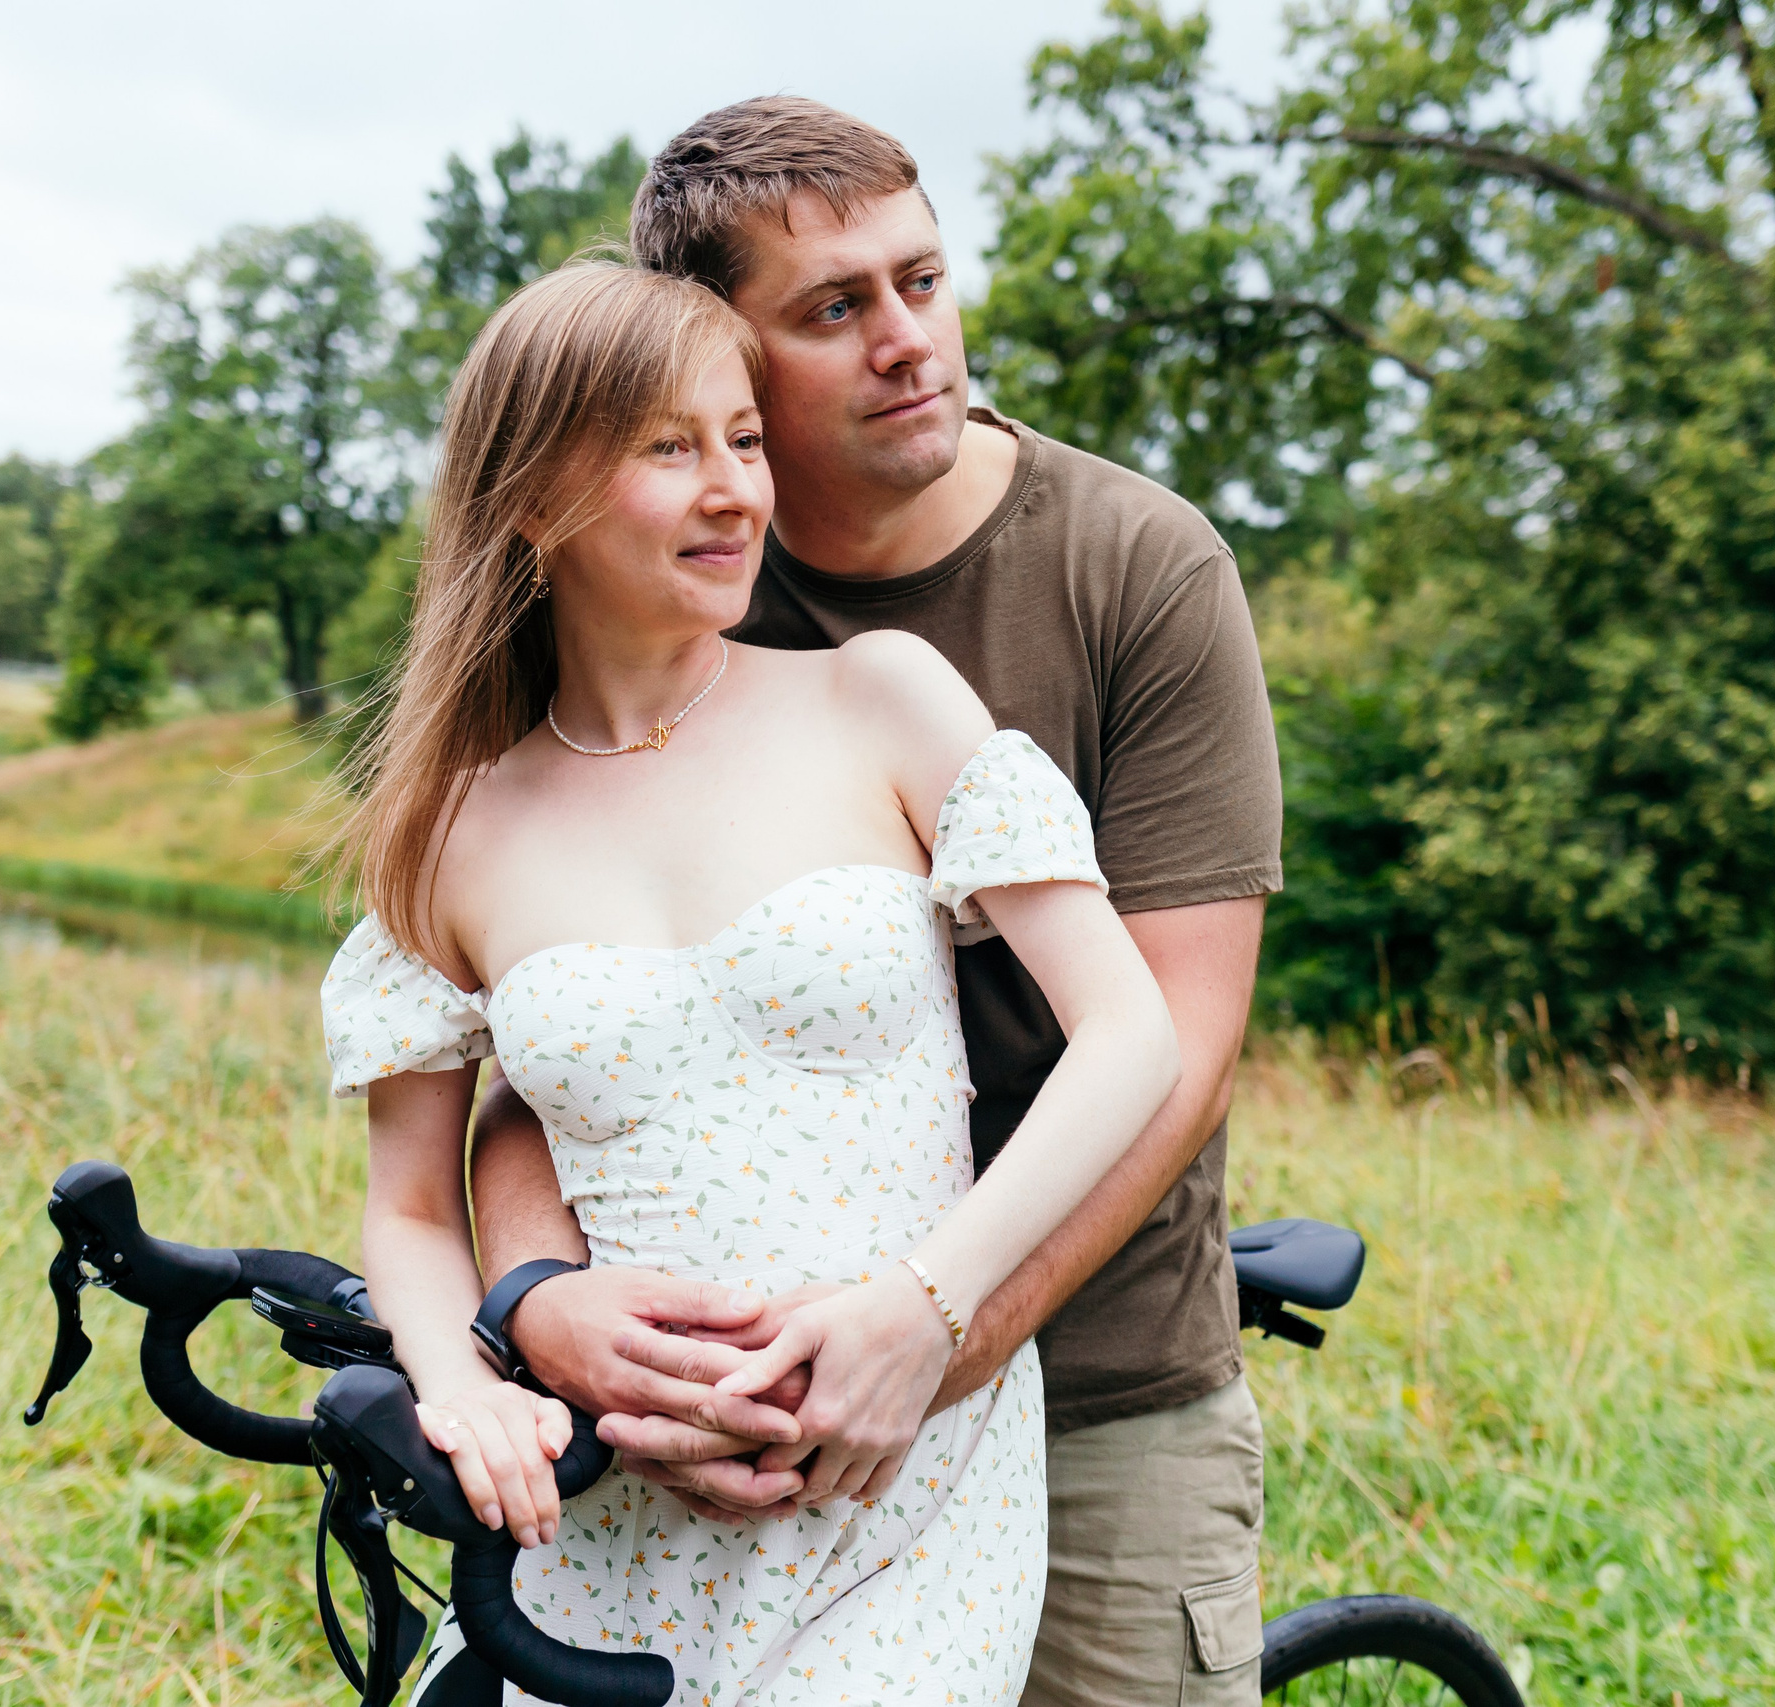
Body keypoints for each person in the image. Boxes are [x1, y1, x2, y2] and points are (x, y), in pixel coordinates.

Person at [469, 101, 1285, 1706]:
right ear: (715, 354)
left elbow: (1180, 1042)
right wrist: (538, 1302)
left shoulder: (1139, 567)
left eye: (920, 279)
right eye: (835, 309)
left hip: (1098, 1364)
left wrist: (940, 1338)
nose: (909, 341)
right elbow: (535, 1044)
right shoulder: (663, 572)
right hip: (722, 1431)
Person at [320, 261, 1179, 1705]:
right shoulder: (451, 831)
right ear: (532, 500)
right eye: (669, 448)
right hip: (610, 1500)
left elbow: (1132, 1034)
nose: (732, 490)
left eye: (744, 440)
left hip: (903, 1482)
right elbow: (409, 1202)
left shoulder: (877, 700)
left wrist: (929, 1307)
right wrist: (469, 1385)